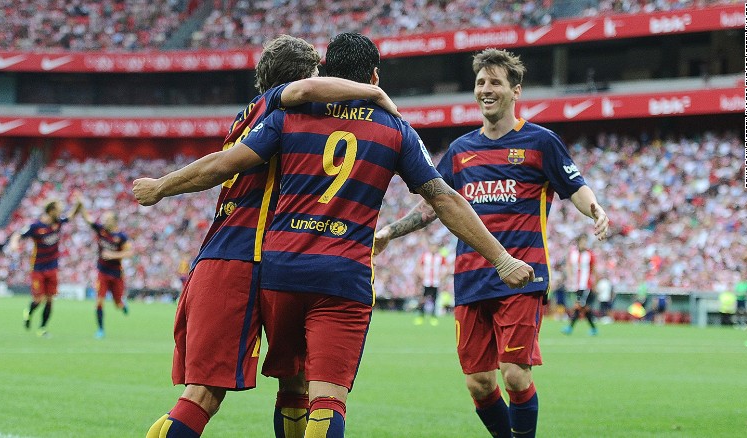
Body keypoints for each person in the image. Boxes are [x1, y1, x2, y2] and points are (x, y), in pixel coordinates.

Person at [134, 33, 533, 438]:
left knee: (292, 384)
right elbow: (444, 199)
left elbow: (222, 165)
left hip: (278, 272)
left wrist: (162, 187)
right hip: (343, 276)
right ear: (373, 75)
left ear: (327, 72)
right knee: (325, 400)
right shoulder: (394, 128)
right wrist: (502, 258)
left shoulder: (287, 116)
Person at [137, 34, 405, 438]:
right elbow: (302, 91)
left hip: (232, 255)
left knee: (293, 380)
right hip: (245, 258)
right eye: (320, 75)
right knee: (204, 395)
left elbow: (222, 163)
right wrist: (373, 91)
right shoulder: (284, 103)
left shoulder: (251, 113)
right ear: (304, 75)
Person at [373, 48, 610, 438]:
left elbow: (574, 185)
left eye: (495, 82)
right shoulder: (461, 150)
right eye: (481, 82)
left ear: (515, 91)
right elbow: (434, 205)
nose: (486, 89)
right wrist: (388, 232)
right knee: (479, 384)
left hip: (522, 274)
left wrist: (596, 209)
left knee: (515, 375)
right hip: (470, 278)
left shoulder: (541, 141)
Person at [9, 199, 81, 337]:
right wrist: (13, 243)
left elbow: (71, 216)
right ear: (51, 210)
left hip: (52, 267)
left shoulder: (58, 222)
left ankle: (42, 328)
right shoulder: (35, 226)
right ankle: (29, 312)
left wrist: (78, 203)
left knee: (50, 300)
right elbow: (18, 234)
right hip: (38, 268)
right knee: (38, 299)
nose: (61, 212)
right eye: (59, 210)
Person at [78, 202, 133, 339]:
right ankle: (101, 329)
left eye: (107, 219)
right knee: (99, 300)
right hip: (102, 272)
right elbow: (87, 219)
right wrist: (81, 205)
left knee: (117, 304)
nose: (104, 221)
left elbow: (130, 252)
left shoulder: (121, 237)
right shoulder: (101, 230)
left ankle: (122, 304)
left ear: (114, 222)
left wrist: (113, 255)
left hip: (116, 273)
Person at [562, 236, 599, 336]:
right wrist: (570, 277)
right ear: (578, 243)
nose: (584, 244)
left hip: (586, 285)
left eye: (586, 242)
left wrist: (595, 284)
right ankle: (594, 329)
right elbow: (569, 266)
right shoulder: (573, 254)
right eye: (583, 242)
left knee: (579, 306)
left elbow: (594, 269)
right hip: (576, 285)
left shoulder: (589, 254)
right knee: (584, 307)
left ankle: (570, 328)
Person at [415, 241, 447, 326]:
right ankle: (421, 316)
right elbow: (418, 265)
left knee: (435, 299)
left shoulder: (440, 257)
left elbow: (446, 267)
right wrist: (421, 274)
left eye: (435, 247)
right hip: (426, 281)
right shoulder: (425, 256)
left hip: (436, 281)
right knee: (423, 299)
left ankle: (433, 317)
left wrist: (442, 276)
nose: (433, 249)